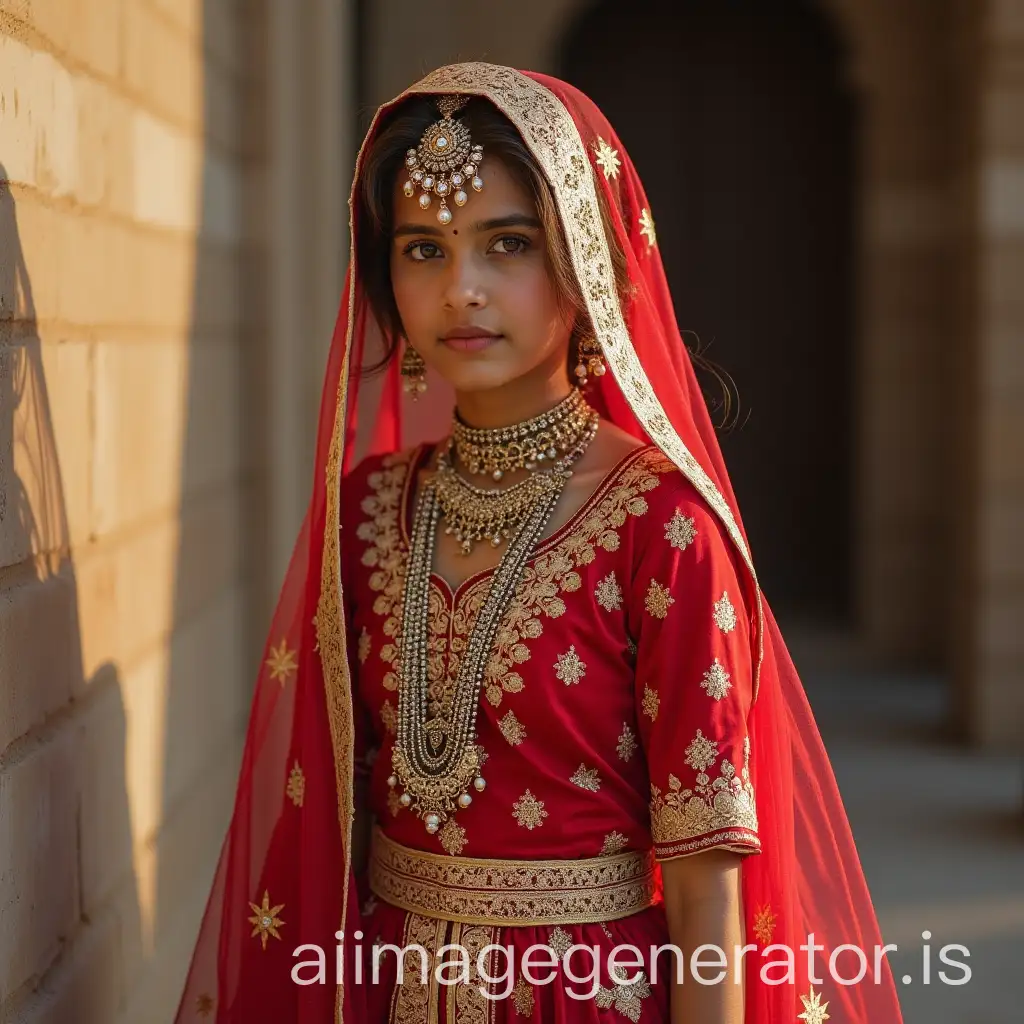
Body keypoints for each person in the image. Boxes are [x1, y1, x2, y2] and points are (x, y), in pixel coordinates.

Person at [175, 63, 903, 1024]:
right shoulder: (367, 509)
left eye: (506, 245)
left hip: (591, 998)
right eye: (423, 249)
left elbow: (706, 890)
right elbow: (319, 828)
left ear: (588, 264)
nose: (461, 289)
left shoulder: (662, 526)